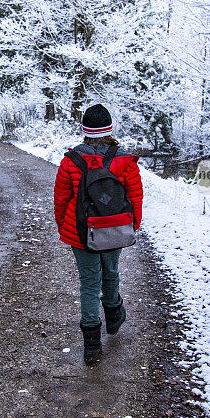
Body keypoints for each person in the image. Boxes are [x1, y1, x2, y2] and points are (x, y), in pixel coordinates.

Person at [53, 104, 143, 364]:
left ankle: (92, 346)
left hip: (80, 233)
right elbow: (135, 196)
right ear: (110, 129)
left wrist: (65, 228)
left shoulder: (71, 161)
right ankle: (114, 316)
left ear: (85, 132)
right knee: (111, 272)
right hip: (115, 227)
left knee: (89, 283)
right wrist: (130, 226)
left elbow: (61, 200)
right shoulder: (124, 160)